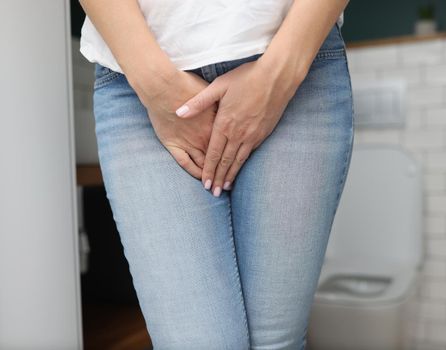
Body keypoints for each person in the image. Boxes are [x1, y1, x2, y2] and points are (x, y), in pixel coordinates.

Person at [78, 0, 354, 348]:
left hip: (293, 60)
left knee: (276, 343)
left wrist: (277, 75)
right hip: (138, 81)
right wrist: (158, 87)